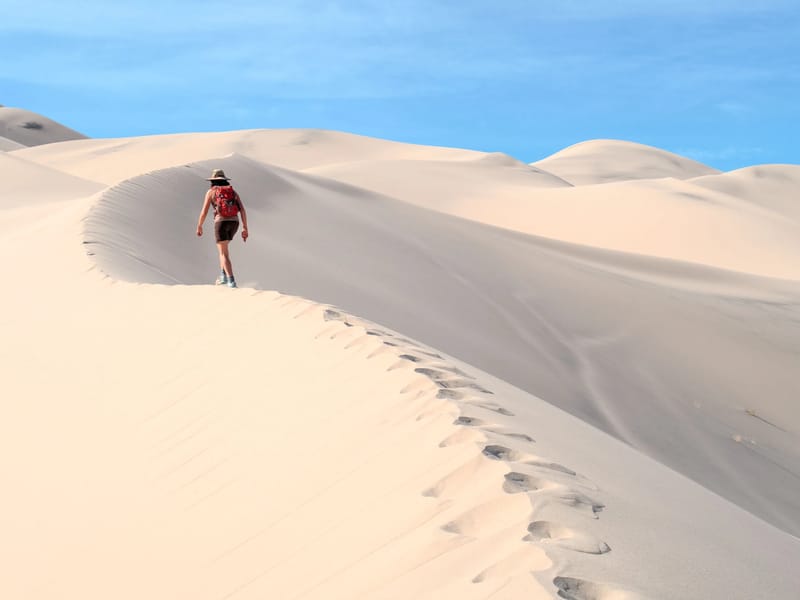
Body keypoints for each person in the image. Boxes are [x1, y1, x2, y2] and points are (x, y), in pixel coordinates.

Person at [196, 168, 249, 288]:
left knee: (223, 254)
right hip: (234, 223)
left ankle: (231, 281)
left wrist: (199, 225)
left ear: (212, 181)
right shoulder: (232, 192)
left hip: (221, 223)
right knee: (223, 250)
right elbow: (242, 210)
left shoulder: (211, 192)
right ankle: (223, 276)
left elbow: (204, 212)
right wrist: (245, 227)